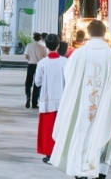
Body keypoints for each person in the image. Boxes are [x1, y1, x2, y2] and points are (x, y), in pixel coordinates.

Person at [50, 20, 111, 179]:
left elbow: (69, 76)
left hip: (81, 105)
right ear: (105, 33)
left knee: (79, 132)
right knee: (101, 132)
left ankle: (79, 170)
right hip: (103, 105)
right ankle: (98, 170)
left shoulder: (78, 54)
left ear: (88, 33)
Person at [35, 33, 66, 163]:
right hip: (63, 100)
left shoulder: (42, 63)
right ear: (58, 45)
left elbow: (37, 82)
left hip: (47, 100)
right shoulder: (65, 62)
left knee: (48, 128)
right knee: (63, 128)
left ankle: (49, 154)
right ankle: (62, 154)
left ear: (46, 46)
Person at [24, 32, 47, 108]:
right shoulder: (42, 47)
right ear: (40, 38)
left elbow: (26, 56)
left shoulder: (29, 45)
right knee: (37, 84)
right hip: (38, 65)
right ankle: (34, 102)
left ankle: (28, 97)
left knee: (28, 83)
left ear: (33, 38)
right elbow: (45, 57)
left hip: (30, 65)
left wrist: (30, 58)